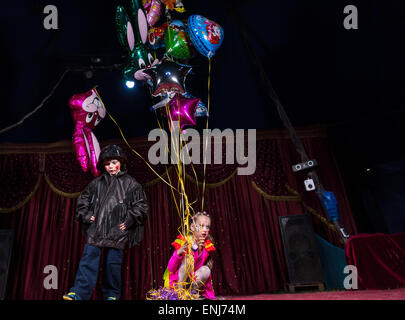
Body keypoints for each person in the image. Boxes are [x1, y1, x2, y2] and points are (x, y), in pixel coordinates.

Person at [63, 144, 148, 300]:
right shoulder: (97, 183)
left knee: (112, 265)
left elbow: (141, 206)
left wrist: (129, 220)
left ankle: (111, 295)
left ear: (121, 162)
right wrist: (87, 215)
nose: (111, 167)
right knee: (88, 261)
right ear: (103, 165)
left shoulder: (131, 183)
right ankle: (79, 293)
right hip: (97, 228)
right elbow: (83, 200)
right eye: (107, 164)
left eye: (114, 162)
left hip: (117, 230)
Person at [163, 211, 216, 299]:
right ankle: (179, 293)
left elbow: (197, 267)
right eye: (201, 225)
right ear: (192, 227)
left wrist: (199, 251)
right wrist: (178, 253)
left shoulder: (206, 246)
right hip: (178, 281)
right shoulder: (184, 242)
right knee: (188, 259)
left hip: (192, 279)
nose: (205, 230)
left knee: (206, 269)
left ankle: (191, 292)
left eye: (207, 227)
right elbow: (171, 267)